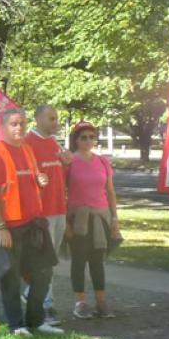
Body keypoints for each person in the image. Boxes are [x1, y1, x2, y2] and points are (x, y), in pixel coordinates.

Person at [0, 108, 63, 336]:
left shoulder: (28, 150)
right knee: (11, 277)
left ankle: (36, 321)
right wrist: (1, 227)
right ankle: (17, 325)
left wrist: (41, 179)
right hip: (9, 226)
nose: (19, 128)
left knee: (43, 272)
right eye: (14, 124)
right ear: (4, 127)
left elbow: (33, 179)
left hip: (33, 224)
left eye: (22, 124)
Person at [66, 121, 119, 319]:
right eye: (83, 137)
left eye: (91, 137)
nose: (88, 141)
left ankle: (101, 302)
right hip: (78, 217)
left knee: (98, 261)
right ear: (76, 140)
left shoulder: (103, 161)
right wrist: (65, 222)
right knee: (79, 260)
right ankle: (80, 302)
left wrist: (114, 218)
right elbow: (61, 191)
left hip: (101, 216)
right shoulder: (69, 161)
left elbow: (110, 191)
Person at [25, 105, 72, 323]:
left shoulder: (54, 143)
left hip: (58, 209)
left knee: (50, 261)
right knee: (44, 261)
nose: (56, 122)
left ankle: (30, 295)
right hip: (41, 214)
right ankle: (46, 305)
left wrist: (66, 164)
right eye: (51, 119)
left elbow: (58, 176)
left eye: (57, 118)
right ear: (38, 119)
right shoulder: (28, 143)